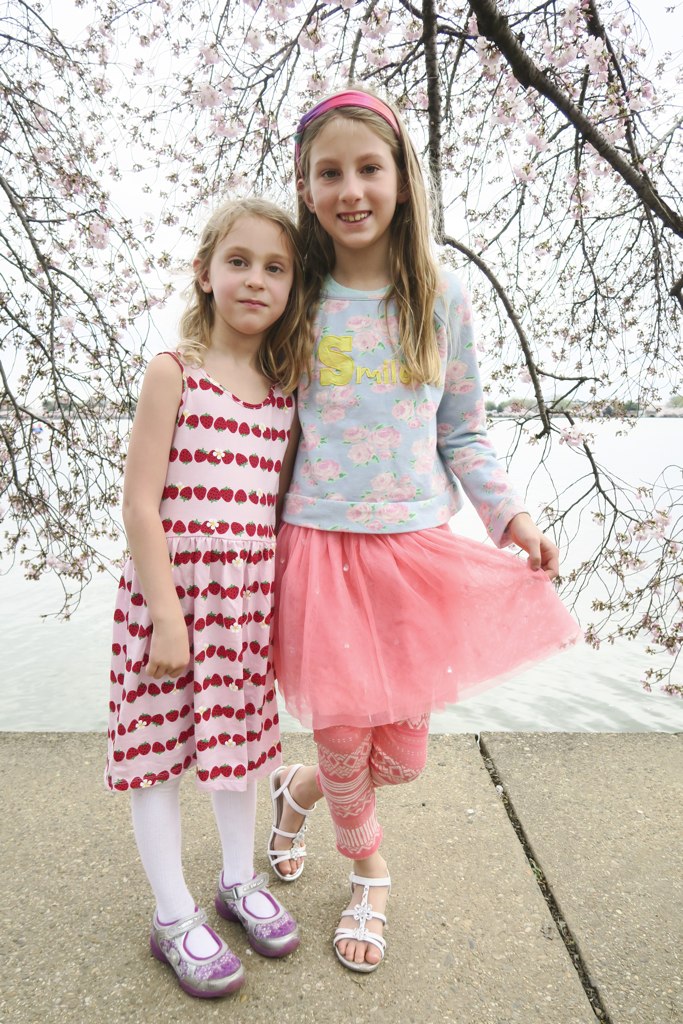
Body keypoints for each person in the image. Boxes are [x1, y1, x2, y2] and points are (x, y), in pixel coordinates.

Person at [266, 89, 581, 974]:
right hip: (319, 551)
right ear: (305, 183)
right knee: (339, 735)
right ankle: (369, 875)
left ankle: (291, 795)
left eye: (370, 167)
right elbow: (264, 418)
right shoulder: (299, 294)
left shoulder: (438, 298)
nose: (351, 188)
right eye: (330, 171)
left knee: (397, 757)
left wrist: (510, 517)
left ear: (402, 179)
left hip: (412, 554)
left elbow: (464, 431)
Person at [104, 197, 309, 998]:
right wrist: (165, 613)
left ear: (292, 287)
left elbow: (282, 509)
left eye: (275, 268)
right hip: (169, 602)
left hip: (244, 609)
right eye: (239, 262)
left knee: (239, 755)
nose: (255, 279)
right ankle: (172, 915)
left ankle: (235, 878)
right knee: (155, 759)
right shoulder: (173, 372)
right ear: (205, 272)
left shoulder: (282, 392)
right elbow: (139, 504)